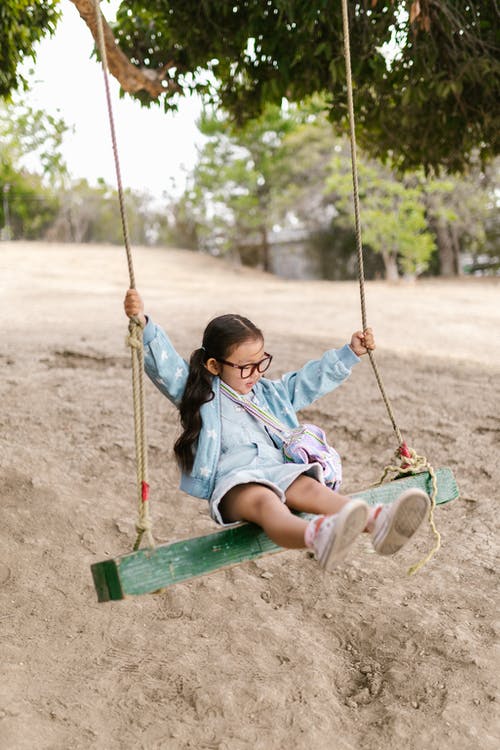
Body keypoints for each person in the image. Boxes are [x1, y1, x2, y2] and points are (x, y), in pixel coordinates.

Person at [124, 289, 430, 571]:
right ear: (215, 366)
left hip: (278, 469)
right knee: (267, 504)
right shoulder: (201, 396)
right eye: (245, 367)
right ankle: (317, 537)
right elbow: (166, 368)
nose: (256, 374)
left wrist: (349, 353)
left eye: (261, 363)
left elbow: (307, 381)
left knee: (310, 486)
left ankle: (378, 521)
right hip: (235, 482)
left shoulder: (270, 394)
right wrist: (144, 324)